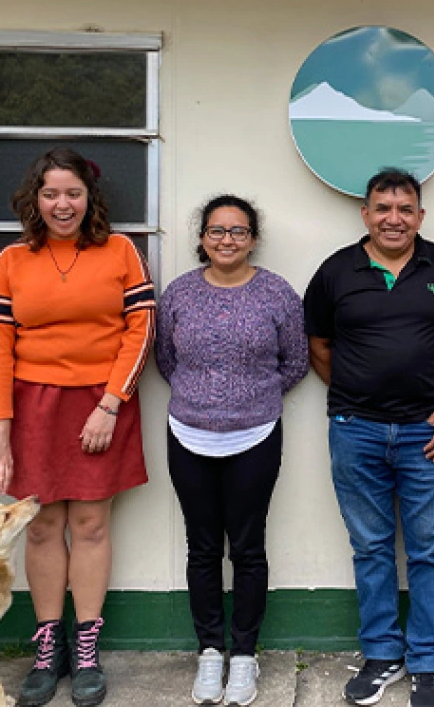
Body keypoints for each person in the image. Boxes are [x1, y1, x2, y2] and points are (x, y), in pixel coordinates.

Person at [0, 147, 154, 707]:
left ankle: (86, 648)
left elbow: (140, 329)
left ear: (89, 198)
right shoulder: (12, 260)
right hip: (32, 404)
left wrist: (111, 403)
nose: (63, 204)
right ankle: (46, 645)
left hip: (101, 403)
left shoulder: (120, 251)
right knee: (39, 525)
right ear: (35, 199)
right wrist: (0, 428)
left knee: (90, 524)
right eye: (51, 194)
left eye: (73, 193)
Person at [303, 168, 434, 707]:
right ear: (366, 214)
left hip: (430, 432)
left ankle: (426, 660)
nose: (393, 219)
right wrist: (361, 397)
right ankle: (381, 654)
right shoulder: (335, 271)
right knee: (370, 547)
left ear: (420, 215)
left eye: (404, 209)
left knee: (429, 550)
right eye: (383, 208)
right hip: (356, 432)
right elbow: (321, 347)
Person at [155, 195, 308, 706]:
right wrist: (205, 400)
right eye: (217, 231)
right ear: (202, 238)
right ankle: (210, 653)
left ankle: (244, 654)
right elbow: (166, 359)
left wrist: (249, 398)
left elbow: (296, 361)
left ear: (253, 238)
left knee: (247, 547)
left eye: (238, 231)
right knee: (201, 548)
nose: (227, 240)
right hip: (189, 434)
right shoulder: (177, 293)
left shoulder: (277, 293)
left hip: (256, 435)